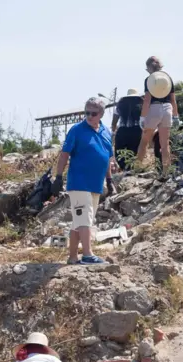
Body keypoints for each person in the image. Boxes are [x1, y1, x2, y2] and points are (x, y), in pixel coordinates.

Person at [55, 97, 116, 267]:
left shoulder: (105, 132)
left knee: (79, 221)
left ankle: (73, 257)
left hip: (96, 184)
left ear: (101, 114)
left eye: (93, 113)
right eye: (86, 112)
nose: (89, 116)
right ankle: (88, 255)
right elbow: (64, 154)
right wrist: (58, 177)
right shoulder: (77, 130)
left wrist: (109, 180)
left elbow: (106, 158)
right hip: (79, 182)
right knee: (85, 219)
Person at [136, 57, 178, 174]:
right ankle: (166, 170)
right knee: (165, 144)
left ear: (149, 68)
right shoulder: (168, 79)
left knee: (144, 141)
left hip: (154, 108)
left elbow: (147, 100)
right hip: (167, 108)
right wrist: (176, 116)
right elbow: (173, 99)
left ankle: (137, 168)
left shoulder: (149, 79)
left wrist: (142, 117)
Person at [111, 88, 144, 171]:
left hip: (122, 131)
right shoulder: (141, 104)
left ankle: (124, 168)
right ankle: (132, 169)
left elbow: (114, 122)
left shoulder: (120, 105)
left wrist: (113, 133)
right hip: (137, 131)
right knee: (134, 151)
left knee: (120, 152)